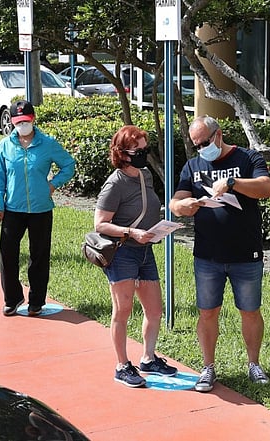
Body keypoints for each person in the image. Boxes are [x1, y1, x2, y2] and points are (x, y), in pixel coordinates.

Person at [170, 115, 270, 392]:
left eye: (204, 142)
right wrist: (184, 206)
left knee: (250, 310)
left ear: (218, 135)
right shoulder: (193, 166)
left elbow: (265, 187)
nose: (202, 148)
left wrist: (232, 183)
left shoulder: (248, 158)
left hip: (245, 252)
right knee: (207, 312)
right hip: (207, 255)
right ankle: (208, 367)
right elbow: (174, 202)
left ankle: (254, 364)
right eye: (196, 144)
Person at [93, 125, 177, 387]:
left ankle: (148, 359)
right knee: (123, 310)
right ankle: (122, 365)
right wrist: (130, 232)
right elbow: (100, 224)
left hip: (145, 250)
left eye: (145, 149)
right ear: (122, 153)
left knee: (154, 310)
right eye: (137, 150)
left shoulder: (145, 175)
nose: (143, 154)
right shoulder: (114, 183)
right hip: (122, 253)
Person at [0, 100, 75, 317]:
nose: (23, 126)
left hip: (40, 209)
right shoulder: (5, 146)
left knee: (39, 256)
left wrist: (52, 184)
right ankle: (12, 298)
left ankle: (36, 301)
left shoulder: (47, 143)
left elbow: (69, 165)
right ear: (12, 122)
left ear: (34, 119)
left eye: (26, 121)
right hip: (13, 208)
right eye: (18, 122)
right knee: (7, 253)